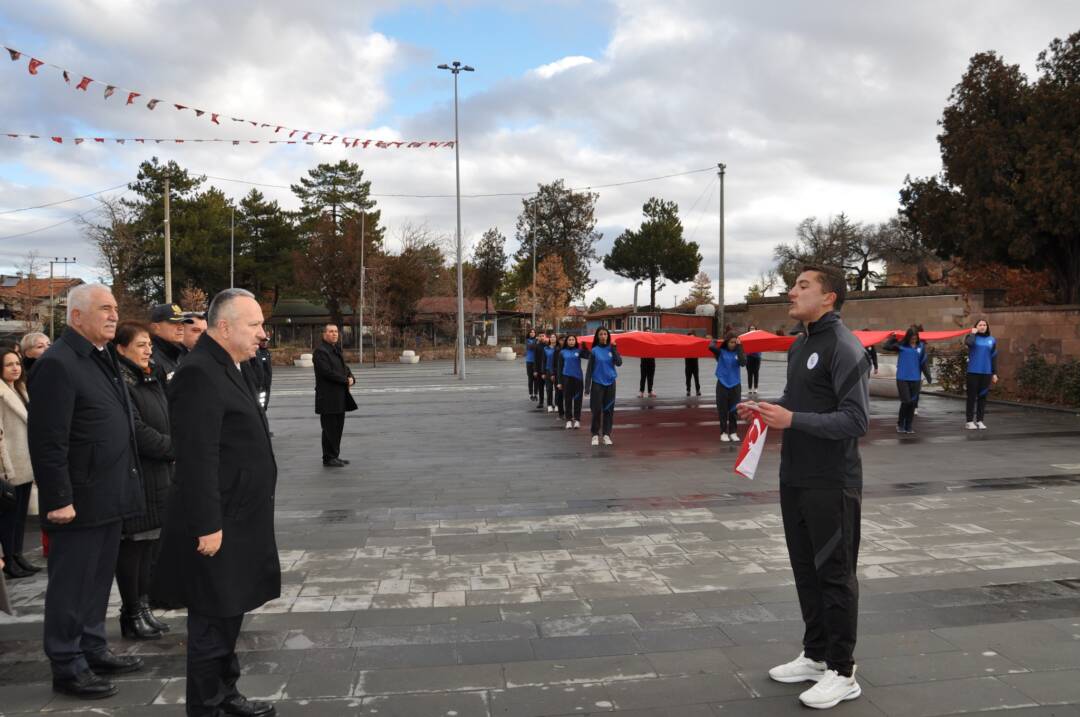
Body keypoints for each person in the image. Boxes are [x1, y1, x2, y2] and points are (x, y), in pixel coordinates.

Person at [737, 265, 869, 710]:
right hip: (794, 476)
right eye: (793, 285)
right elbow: (799, 403)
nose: (791, 292)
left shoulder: (845, 346)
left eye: (802, 286)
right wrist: (766, 409)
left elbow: (856, 420)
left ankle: (843, 671)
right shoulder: (800, 345)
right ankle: (816, 656)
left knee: (835, 574)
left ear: (829, 297)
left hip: (832, 481)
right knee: (805, 570)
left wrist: (792, 419)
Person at [152, 288, 279, 717]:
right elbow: (197, 456)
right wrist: (208, 524)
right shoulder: (199, 373)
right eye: (254, 324)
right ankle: (206, 707)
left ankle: (226, 695)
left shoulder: (229, 365)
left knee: (229, 612)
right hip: (218, 523)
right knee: (211, 620)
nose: (262, 333)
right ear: (224, 327)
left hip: (239, 516)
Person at [28, 283, 145, 699]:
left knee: (96, 581)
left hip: (108, 494)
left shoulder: (101, 355)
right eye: (104, 309)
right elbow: (48, 440)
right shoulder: (58, 363)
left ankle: (92, 647)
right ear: (76, 316)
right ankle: (67, 663)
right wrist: (59, 499)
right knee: (71, 585)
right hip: (78, 500)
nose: (114, 316)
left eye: (115, 308)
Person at [113, 321, 173, 640]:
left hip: (159, 473)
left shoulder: (149, 378)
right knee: (133, 547)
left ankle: (144, 606)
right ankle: (131, 612)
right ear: (121, 349)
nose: (148, 350)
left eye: (149, 344)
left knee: (150, 546)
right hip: (139, 473)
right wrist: (171, 447)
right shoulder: (122, 383)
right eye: (140, 345)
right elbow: (135, 430)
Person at [0, 347, 38, 578]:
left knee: (20, 514)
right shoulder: (2, 393)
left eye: (17, 363)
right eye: (8, 364)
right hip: (10, 464)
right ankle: (8, 559)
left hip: (24, 461)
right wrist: (5, 467)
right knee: (8, 517)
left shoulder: (21, 389)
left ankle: (18, 554)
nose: (15, 368)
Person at [313, 324, 357, 468]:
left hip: (339, 397)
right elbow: (326, 372)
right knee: (329, 429)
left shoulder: (336, 349)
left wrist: (351, 377)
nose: (334, 334)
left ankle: (335, 455)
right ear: (324, 334)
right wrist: (345, 380)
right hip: (328, 398)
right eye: (331, 331)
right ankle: (328, 457)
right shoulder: (320, 352)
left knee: (338, 428)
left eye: (336, 331)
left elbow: (345, 368)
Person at [883, 327, 926, 435]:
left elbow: (924, 361)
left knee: (912, 403)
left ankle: (908, 426)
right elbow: (886, 346)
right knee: (906, 401)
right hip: (902, 378)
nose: (913, 340)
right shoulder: (901, 345)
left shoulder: (921, 346)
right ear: (908, 337)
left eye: (915, 338)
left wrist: (928, 375)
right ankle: (900, 424)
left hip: (915, 378)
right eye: (912, 338)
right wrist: (894, 337)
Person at [583, 327, 622, 446]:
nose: (603, 336)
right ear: (597, 336)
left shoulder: (612, 348)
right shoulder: (594, 351)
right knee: (596, 410)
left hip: (610, 383)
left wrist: (614, 349)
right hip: (597, 384)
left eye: (605, 334)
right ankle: (595, 434)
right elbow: (589, 370)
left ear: (608, 336)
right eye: (601, 334)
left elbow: (619, 363)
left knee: (608, 410)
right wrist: (587, 387)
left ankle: (606, 435)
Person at [709, 333, 746, 443]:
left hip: (735, 385)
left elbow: (743, 363)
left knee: (734, 410)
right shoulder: (721, 352)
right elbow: (711, 347)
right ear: (727, 342)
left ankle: (733, 432)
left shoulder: (739, 352)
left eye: (735, 342)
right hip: (722, 384)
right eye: (731, 342)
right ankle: (724, 432)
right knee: (723, 410)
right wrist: (715, 340)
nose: (733, 344)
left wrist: (740, 346)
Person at [965, 319, 998, 430]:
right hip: (973, 372)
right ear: (976, 326)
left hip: (986, 373)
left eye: (984, 325)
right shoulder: (971, 337)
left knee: (982, 397)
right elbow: (969, 343)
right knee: (971, 397)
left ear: (987, 327)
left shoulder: (992, 340)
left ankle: (980, 420)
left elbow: (993, 357)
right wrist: (973, 333)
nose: (982, 327)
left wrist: (994, 373)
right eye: (980, 325)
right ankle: (969, 421)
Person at [148, 303, 193, 382]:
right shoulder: (148, 356)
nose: (181, 327)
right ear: (155, 328)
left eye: (182, 323)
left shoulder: (182, 352)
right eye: (174, 323)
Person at [557, 335, 586, 429]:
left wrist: (585, 348)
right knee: (568, 400)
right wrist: (559, 382)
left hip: (578, 378)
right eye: (569, 340)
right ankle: (568, 420)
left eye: (573, 340)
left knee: (578, 400)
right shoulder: (562, 352)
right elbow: (559, 368)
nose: (571, 341)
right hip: (566, 378)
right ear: (567, 341)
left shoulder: (579, 351)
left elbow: (589, 356)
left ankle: (577, 420)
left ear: (575, 341)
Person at [250, 336, 273, 412]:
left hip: (267, 383)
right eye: (262, 341)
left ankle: (263, 411)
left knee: (265, 402)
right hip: (260, 384)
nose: (264, 343)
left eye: (266, 341)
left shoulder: (267, 352)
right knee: (260, 404)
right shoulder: (256, 352)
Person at [542, 334, 558, 413]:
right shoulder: (546, 348)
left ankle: (557, 405)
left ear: (556, 339)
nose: (552, 338)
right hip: (548, 370)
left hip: (557, 371)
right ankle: (549, 405)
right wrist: (543, 372)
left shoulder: (558, 348)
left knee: (558, 389)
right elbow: (543, 361)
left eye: (554, 337)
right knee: (549, 389)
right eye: (551, 337)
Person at [745, 324, 762, 395]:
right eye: (751, 328)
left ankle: (755, 388)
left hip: (756, 357)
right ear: (749, 329)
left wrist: (759, 354)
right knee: (749, 373)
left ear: (755, 329)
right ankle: (749, 388)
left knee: (756, 373)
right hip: (749, 357)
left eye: (753, 328)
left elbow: (761, 346)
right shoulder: (746, 337)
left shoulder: (758, 337)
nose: (752, 329)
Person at [534, 334, 550, 411]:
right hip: (539, 370)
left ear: (545, 337)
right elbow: (535, 359)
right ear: (538, 338)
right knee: (540, 387)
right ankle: (541, 402)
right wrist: (535, 370)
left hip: (547, 370)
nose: (541, 337)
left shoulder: (549, 346)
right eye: (540, 336)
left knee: (549, 387)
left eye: (543, 336)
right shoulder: (537, 346)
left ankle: (550, 403)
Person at [638, 328, 656, 397]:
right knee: (643, 377)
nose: (648, 333)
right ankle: (641, 392)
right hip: (644, 361)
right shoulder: (641, 341)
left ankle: (650, 391)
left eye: (649, 332)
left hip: (651, 361)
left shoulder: (653, 341)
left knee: (651, 377)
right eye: (646, 332)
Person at [524, 328, 538, 400]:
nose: (532, 333)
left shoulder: (537, 340)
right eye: (531, 332)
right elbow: (531, 347)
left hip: (536, 362)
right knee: (530, 379)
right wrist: (536, 341)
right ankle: (531, 394)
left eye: (533, 332)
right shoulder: (527, 340)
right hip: (529, 361)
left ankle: (535, 394)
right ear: (529, 333)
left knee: (536, 379)